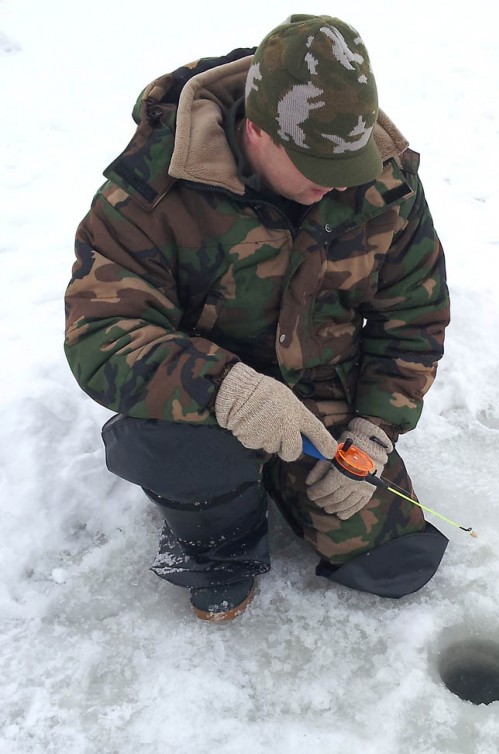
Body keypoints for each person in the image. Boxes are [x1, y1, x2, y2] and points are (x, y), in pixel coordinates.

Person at [64, 14, 450, 621]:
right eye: (318, 170)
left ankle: (281, 478)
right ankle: (221, 540)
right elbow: (102, 332)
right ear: (257, 130)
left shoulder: (383, 180)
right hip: (207, 398)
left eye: (344, 171)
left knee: (393, 564)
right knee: (174, 448)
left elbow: (415, 317)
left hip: (325, 394)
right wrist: (225, 389)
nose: (334, 189)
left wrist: (376, 430)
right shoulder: (150, 191)